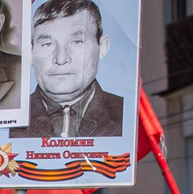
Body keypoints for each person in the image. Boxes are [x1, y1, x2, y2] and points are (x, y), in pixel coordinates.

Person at [22, 0, 121, 137]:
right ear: (30, 52)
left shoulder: (126, 116)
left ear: (102, 47)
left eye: (77, 42)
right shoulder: (5, 122)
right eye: (47, 44)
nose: (61, 59)